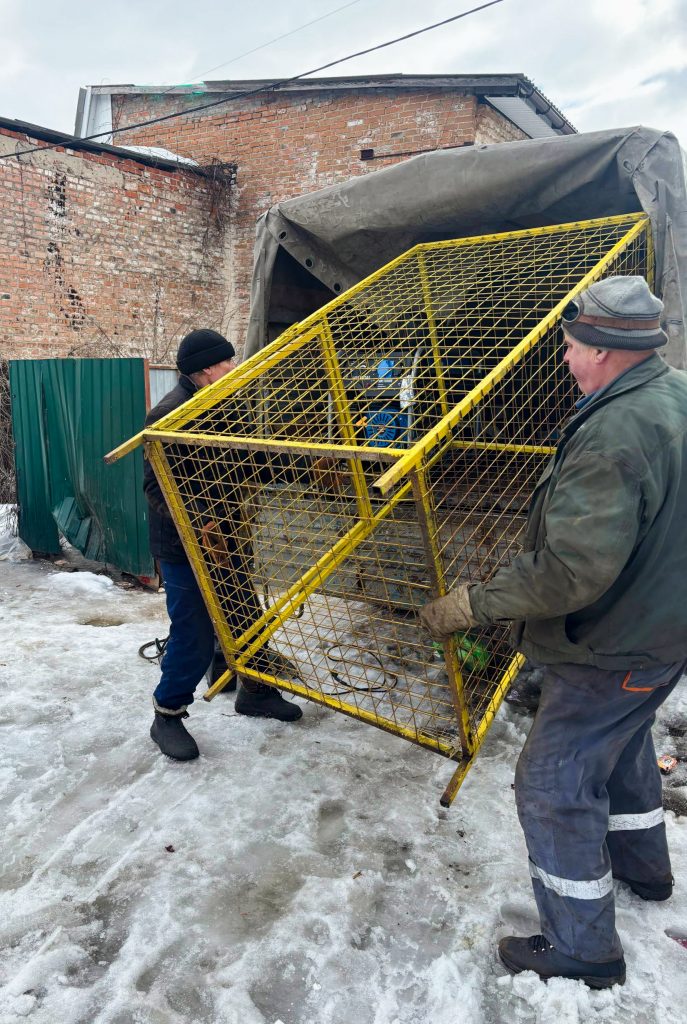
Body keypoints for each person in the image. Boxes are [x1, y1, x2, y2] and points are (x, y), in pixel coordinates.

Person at [420, 276, 687, 988]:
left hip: (611, 642)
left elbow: (570, 571)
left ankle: (582, 949)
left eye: (569, 347)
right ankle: (645, 871)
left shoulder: (613, 434)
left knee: (552, 781)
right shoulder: (675, 395)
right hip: (663, 631)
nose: (565, 359)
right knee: (622, 745)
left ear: (599, 350)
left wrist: (472, 604)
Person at [144, 328, 302, 763]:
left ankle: (256, 692)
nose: (234, 367)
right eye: (227, 361)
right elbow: (156, 489)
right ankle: (167, 715)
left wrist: (306, 465)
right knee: (193, 633)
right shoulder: (168, 416)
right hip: (184, 546)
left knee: (245, 617)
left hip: (227, 538)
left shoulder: (225, 404)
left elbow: (252, 457)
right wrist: (202, 523)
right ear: (206, 369)